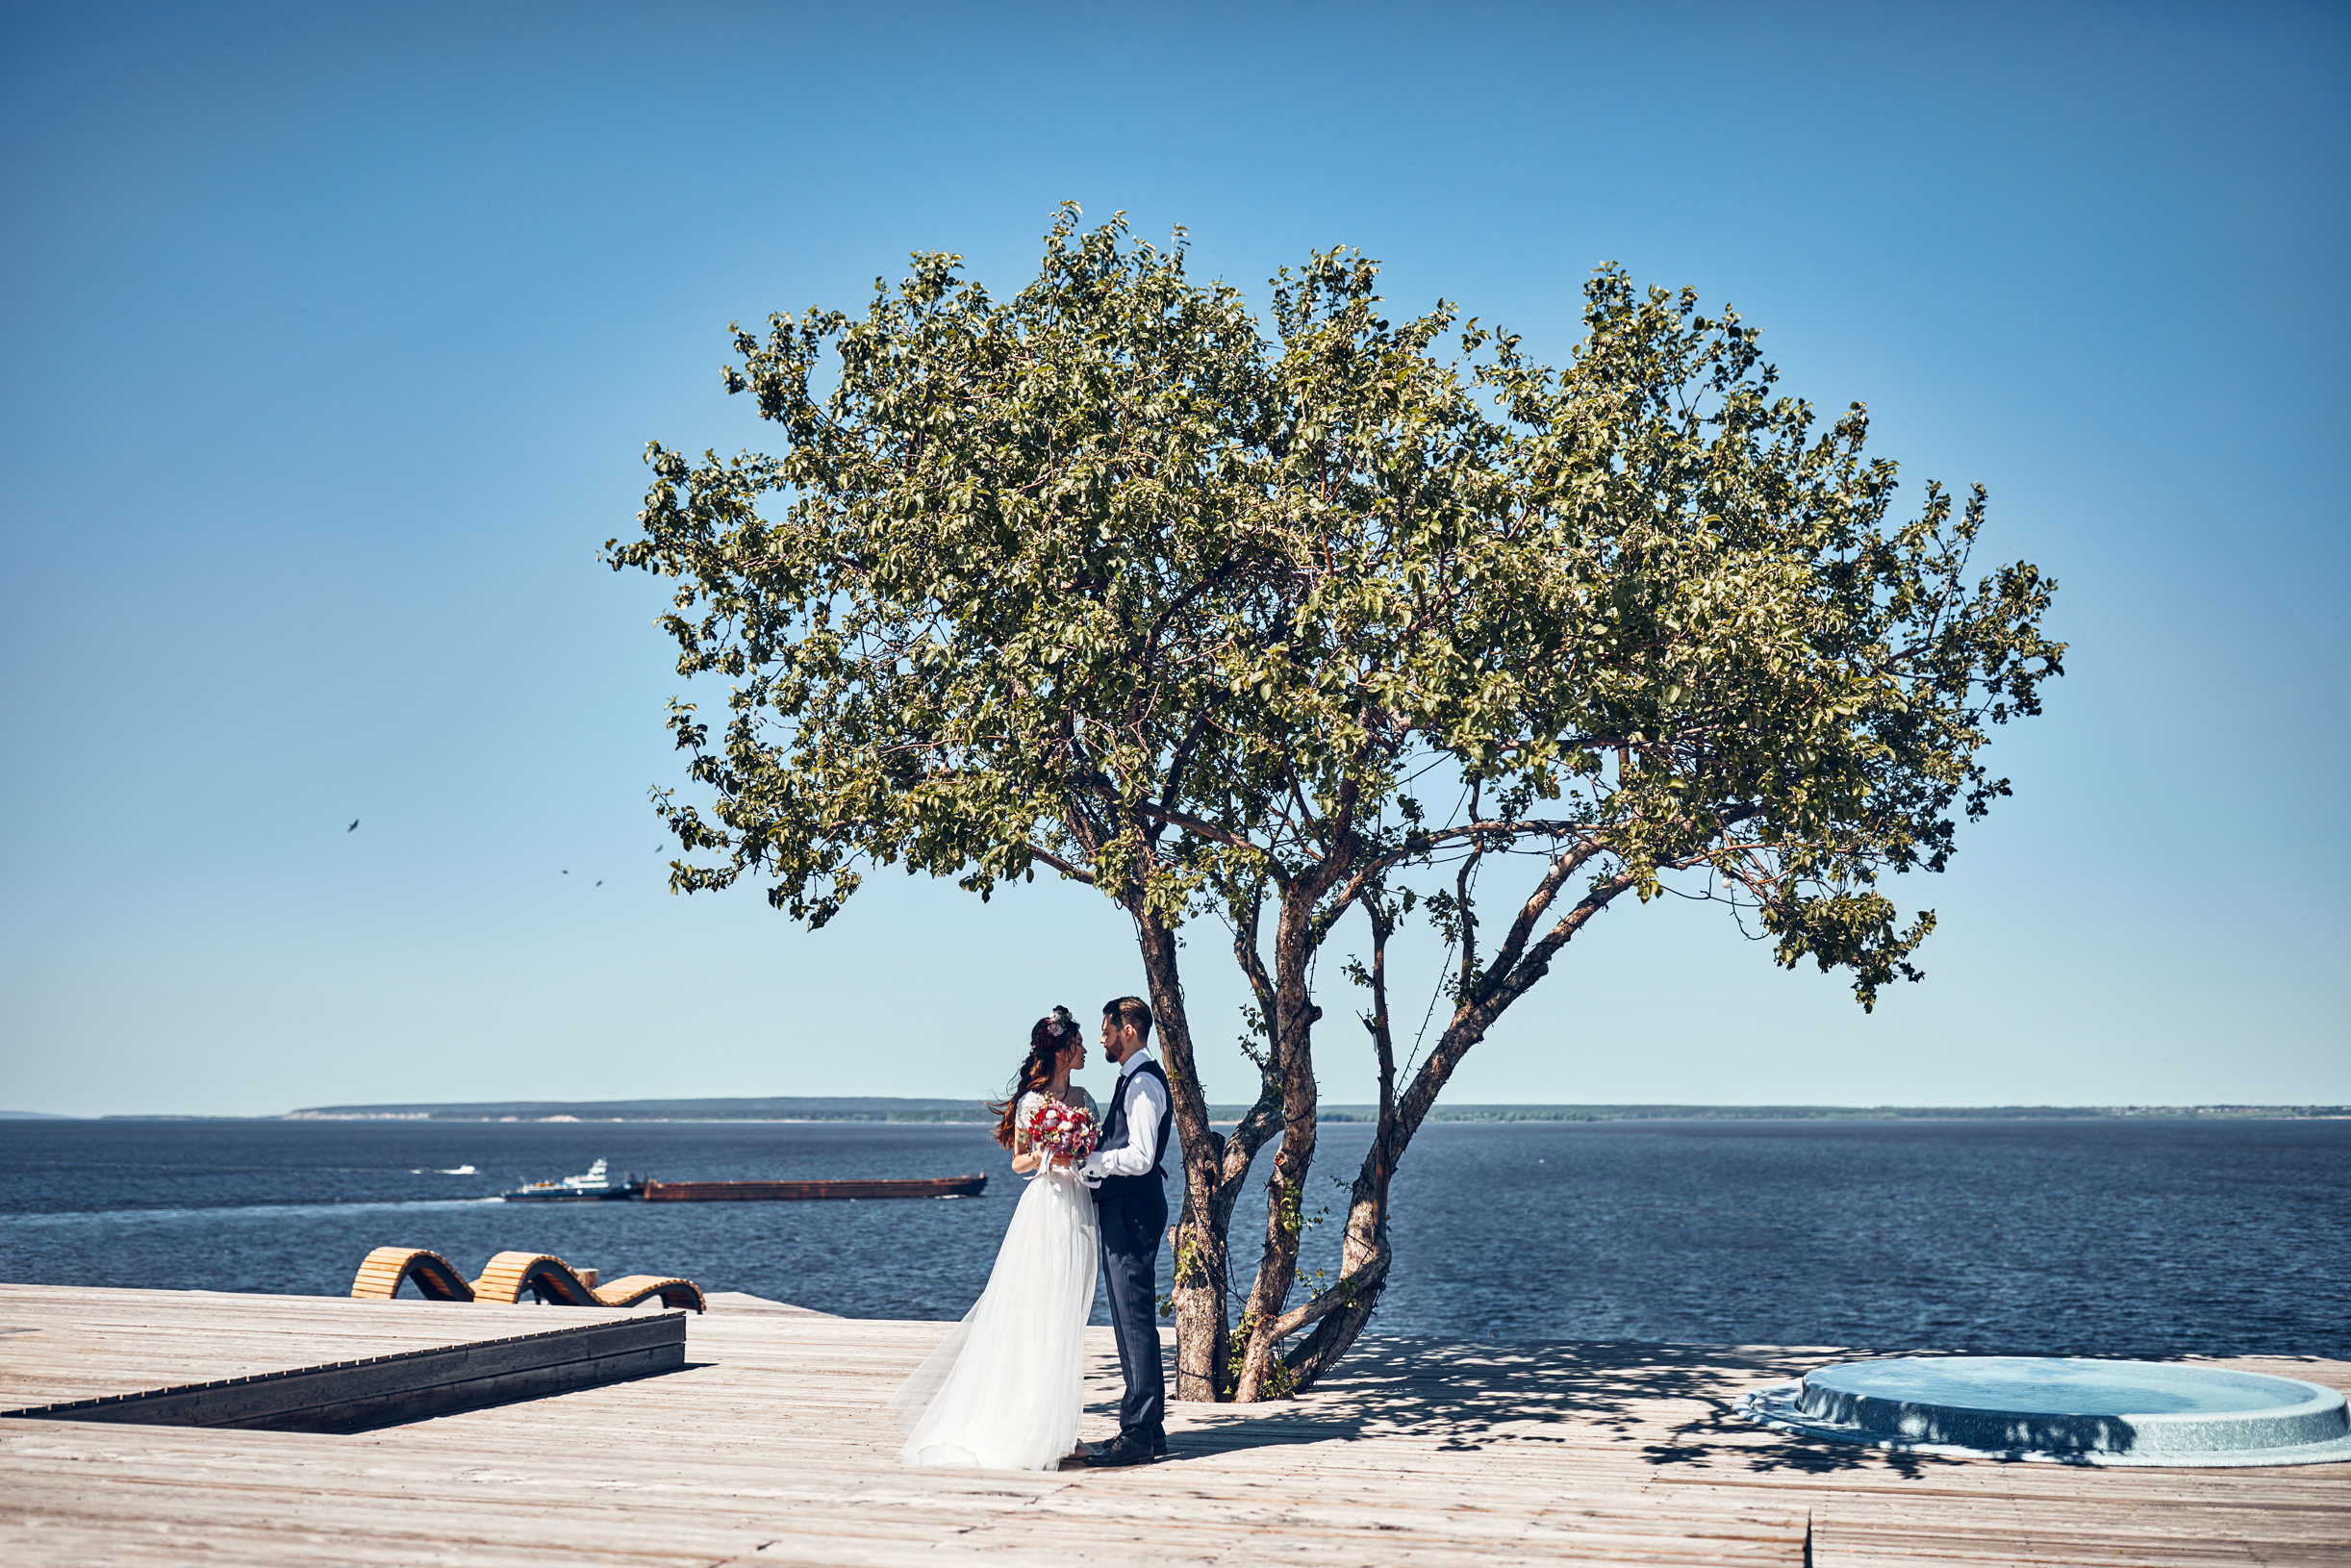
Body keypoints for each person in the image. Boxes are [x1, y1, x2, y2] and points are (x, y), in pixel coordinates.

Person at [889, 1007, 1101, 1470]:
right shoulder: (1032, 1103)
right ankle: (1034, 1427)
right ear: (1064, 1051)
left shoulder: (1084, 1098)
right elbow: (1019, 1163)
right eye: (1080, 1044)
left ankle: (1063, 1428)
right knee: (1039, 1317)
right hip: (1045, 1212)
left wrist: (1078, 1150)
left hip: (1080, 1210)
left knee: (1068, 1320)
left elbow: (1094, 1153)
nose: (1086, 1050)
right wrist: (1053, 1152)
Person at [1076, 995, 1173, 1467]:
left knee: (1133, 1321)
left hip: (1132, 1212)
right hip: (1129, 1209)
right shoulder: (1134, 1080)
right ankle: (1150, 1431)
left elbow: (1141, 1157)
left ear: (1127, 1030)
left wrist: (1093, 1161)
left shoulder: (1141, 1086)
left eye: (1107, 1029)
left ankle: (1136, 1432)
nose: (1102, 1038)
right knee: (1132, 1319)